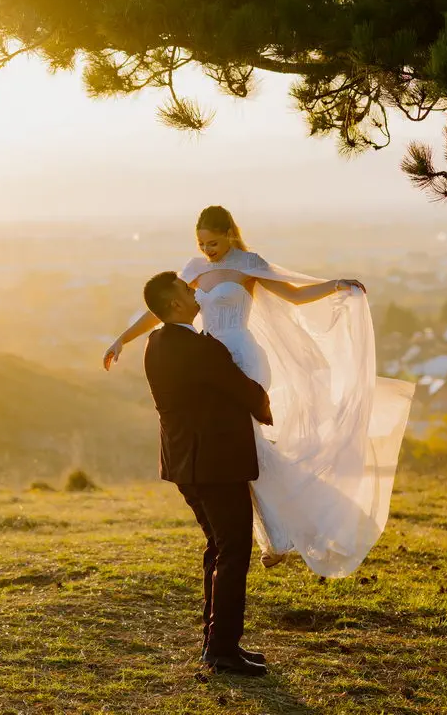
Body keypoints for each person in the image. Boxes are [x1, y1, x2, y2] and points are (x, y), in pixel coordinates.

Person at [105, 206, 415, 578]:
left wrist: (335, 285)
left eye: (214, 242)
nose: (208, 251)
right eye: (202, 244)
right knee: (240, 448)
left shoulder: (249, 264)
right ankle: (278, 532)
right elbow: (159, 311)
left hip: (240, 355)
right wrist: (122, 339)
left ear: (230, 234)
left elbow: (293, 295)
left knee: (245, 442)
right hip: (204, 355)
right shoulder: (193, 270)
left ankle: (276, 536)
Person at [140, 271, 272, 676]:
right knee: (234, 552)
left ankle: (218, 643)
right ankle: (222, 651)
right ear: (176, 304)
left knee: (217, 548)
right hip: (216, 464)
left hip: (183, 464)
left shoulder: (156, 343)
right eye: (186, 289)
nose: (194, 290)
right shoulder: (200, 349)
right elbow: (243, 389)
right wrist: (268, 408)